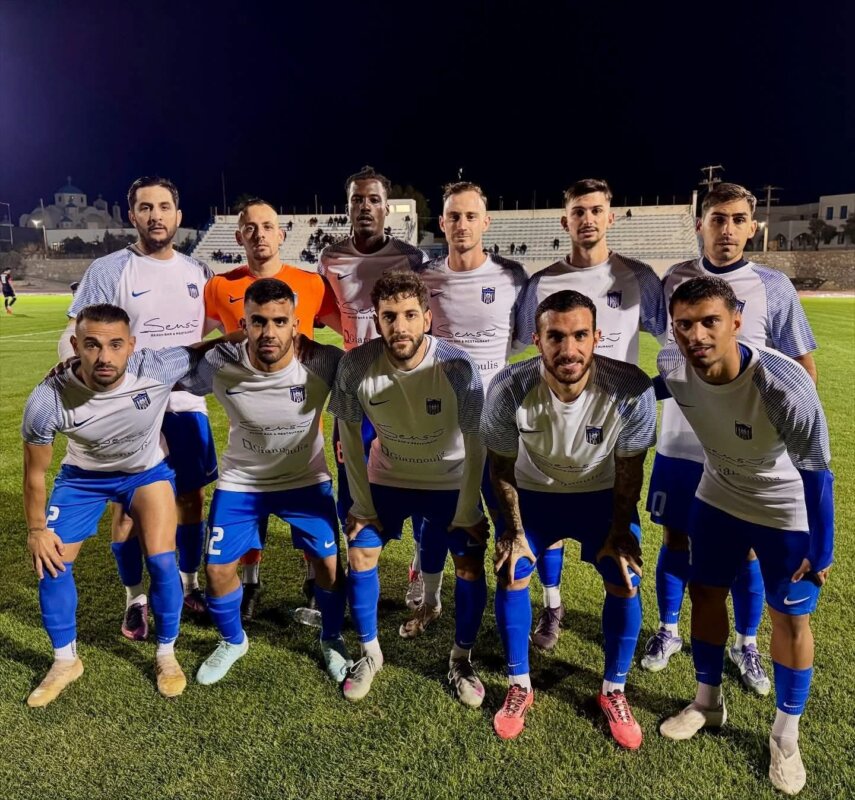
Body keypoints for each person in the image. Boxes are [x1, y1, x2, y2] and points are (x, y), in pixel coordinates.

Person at [657, 276, 832, 796]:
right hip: (718, 494)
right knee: (706, 592)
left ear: (736, 321)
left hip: (783, 506)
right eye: (684, 325)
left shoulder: (781, 381)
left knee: (791, 617)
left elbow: (817, 468)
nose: (697, 335)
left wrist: (821, 547)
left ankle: (785, 735)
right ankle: (707, 701)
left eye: (710, 322)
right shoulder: (672, 364)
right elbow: (643, 388)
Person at [642, 183, 818, 694]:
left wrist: (797, 438)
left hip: (745, 449)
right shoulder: (674, 279)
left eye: (739, 219)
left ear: (753, 226)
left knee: (745, 552)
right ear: (700, 224)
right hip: (681, 437)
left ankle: (746, 642)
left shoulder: (773, 286)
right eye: (718, 218)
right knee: (675, 536)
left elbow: (802, 366)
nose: (728, 230)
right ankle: (669, 630)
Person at [22, 304, 234, 705]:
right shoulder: (48, 398)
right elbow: (34, 473)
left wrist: (244, 335)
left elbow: (199, 350)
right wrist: (36, 530)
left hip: (145, 474)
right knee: (51, 562)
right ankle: (65, 661)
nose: (104, 356)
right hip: (82, 478)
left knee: (163, 562)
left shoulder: (154, 367)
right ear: (75, 346)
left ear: (131, 346)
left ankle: (166, 654)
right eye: (92, 345)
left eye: (115, 345)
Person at [482, 289, 656, 748]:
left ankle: (613, 690)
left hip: (599, 497)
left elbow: (630, 470)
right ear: (537, 340)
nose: (569, 349)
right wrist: (515, 531)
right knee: (512, 570)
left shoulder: (630, 387)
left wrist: (620, 531)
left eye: (580, 335)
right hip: (535, 495)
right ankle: (519, 684)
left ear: (597, 337)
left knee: (625, 576)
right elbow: (500, 467)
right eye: (555, 337)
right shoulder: (508, 387)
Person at [59, 177, 219, 637]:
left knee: (190, 497)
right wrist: (76, 377)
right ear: (132, 216)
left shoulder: (199, 271)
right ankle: (135, 598)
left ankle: (189, 584)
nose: (155, 215)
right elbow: (76, 333)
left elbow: (210, 333)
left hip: (184, 402)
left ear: (178, 216)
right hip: (129, 407)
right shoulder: (110, 269)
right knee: (127, 507)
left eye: (164, 206)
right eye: (145, 207)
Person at [513, 178, 665, 650]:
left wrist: (651, 392)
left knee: (617, 530)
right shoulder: (542, 282)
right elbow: (516, 346)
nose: (588, 219)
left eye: (596, 210)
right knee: (550, 522)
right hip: (555, 420)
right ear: (565, 221)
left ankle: (617, 628)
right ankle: (552, 604)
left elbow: (674, 344)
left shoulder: (638, 278)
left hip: (615, 428)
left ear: (610, 217)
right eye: (579, 211)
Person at [329, 271, 488, 705]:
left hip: (449, 479)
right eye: (389, 316)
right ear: (377, 320)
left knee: (469, 564)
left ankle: (461, 659)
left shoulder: (457, 366)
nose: (400, 326)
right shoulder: (356, 365)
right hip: (389, 478)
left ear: (427, 318)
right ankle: (371, 654)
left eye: (410, 315)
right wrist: (362, 505)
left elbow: (476, 439)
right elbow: (348, 438)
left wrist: (467, 509)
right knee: (360, 551)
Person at [182, 278, 350, 685]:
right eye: (258, 322)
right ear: (243, 324)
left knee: (330, 567)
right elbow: (167, 372)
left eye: (280, 321)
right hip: (242, 482)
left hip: (304, 480)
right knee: (217, 571)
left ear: (296, 325)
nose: (269, 332)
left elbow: (373, 372)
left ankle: (331, 637)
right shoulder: (221, 362)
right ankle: (233, 640)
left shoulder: (322, 361)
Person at [203, 198, 340, 622]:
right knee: (249, 508)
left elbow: (346, 330)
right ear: (238, 236)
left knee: (307, 513)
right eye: (250, 227)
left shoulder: (312, 284)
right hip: (247, 418)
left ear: (281, 234)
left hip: (301, 415)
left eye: (267, 226)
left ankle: (313, 583)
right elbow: (199, 342)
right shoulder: (219, 286)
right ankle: (250, 583)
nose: (259, 234)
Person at [412, 181, 526, 620]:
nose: (462, 224)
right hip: (440, 419)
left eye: (470, 216)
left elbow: (519, 340)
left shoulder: (511, 275)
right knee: (436, 511)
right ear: (442, 223)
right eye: (454, 217)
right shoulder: (425, 277)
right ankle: (430, 595)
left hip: (495, 419)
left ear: (486, 222)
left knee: (504, 510)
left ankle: (512, 600)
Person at [318, 165, 428, 608]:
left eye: (374, 199)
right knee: (352, 484)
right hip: (355, 392)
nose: (365, 207)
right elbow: (325, 311)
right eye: (357, 199)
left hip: (405, 390)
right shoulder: (331, 258)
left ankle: (419, 567)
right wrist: (352, 340)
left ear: (387, 207)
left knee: (418, 478)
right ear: (348, 206)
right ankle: (359, 569)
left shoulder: (410, 258)